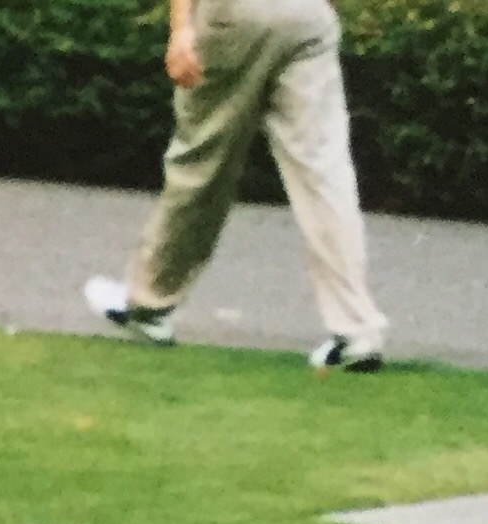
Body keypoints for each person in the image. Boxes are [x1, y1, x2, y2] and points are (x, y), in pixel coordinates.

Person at [83, 0, 389, 370]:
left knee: (200, 163)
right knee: (324, 173)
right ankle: (357, 330)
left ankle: (149, 306)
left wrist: (180, 29)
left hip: (234, 15)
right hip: (307, 17)